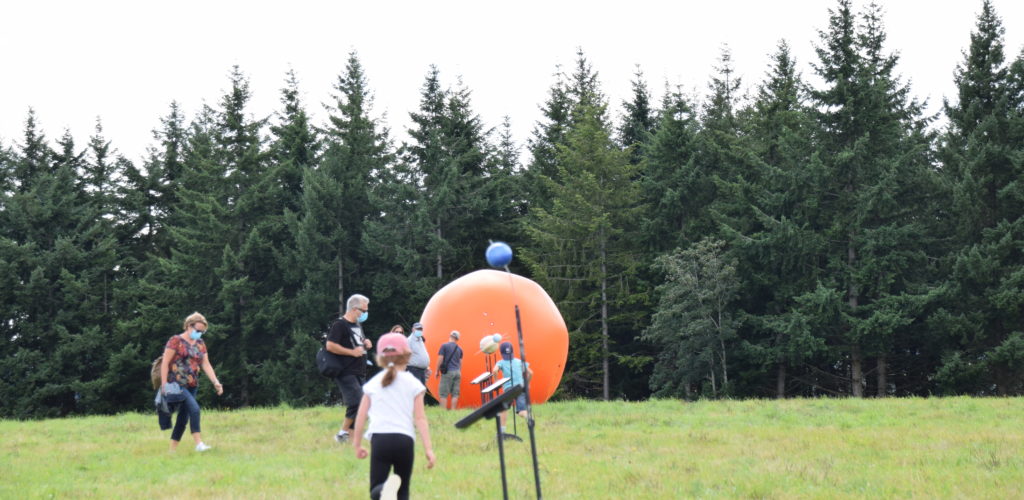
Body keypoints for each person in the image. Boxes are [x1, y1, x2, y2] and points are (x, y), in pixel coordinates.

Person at [353, 333, 436, 500]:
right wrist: (428, 449)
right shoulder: (413, 383)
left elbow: (361, 415)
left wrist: (357, 443)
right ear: (407, 356)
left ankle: (384, 489)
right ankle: (393, 490)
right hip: (404, 440)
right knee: (403, 491)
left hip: (380, 439)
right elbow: (420, 418)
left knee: (375, 490)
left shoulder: (373, 384)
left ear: (380, 358)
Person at [159, 311, 224, 452]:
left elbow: (206, 364)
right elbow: (165, 363)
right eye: (197, 330)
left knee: (183, 418)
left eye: (202, 331)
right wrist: (164, 385)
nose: (199, 333)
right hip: (175, 384)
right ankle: (199, 444)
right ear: (189, 326)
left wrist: (215, 382)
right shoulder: (175, 340)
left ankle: (171, 451)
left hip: (192, 385)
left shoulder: (200, 343)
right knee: (195, 410)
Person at [327, 294, 374, 443]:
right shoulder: (339, 325)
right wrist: (352, 352)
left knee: (362, 404)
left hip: (359, 371)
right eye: (364, 310)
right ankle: (342, 433)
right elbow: (330, 345)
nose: (365, 314)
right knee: (356, 402)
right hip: (345, 371)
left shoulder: (357, 325)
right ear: (354, 309)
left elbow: (356, 344)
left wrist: (365, 343)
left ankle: (352, 439)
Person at [492, 341, 533, 438]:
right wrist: (526, 383)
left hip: (509, 389)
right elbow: (531, 373)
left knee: (503, 409)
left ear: (501, 353)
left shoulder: (501, 362)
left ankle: (502, 432)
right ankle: (528, 417)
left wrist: (497, 381)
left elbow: (494, 370)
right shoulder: (519, 361)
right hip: (521, 387)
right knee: (521, 411)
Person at [435, 330, 463, 410]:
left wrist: (437, 370)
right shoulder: (460, 349)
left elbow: (440, 358)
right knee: (455, 394)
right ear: (457, 339)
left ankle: (443, 411)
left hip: (448, 372)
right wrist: (459, 371)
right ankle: (453, 410)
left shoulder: (444, 346)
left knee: (443, 393)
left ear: (450, 336)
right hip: (457, 372)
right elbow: (460, 362)